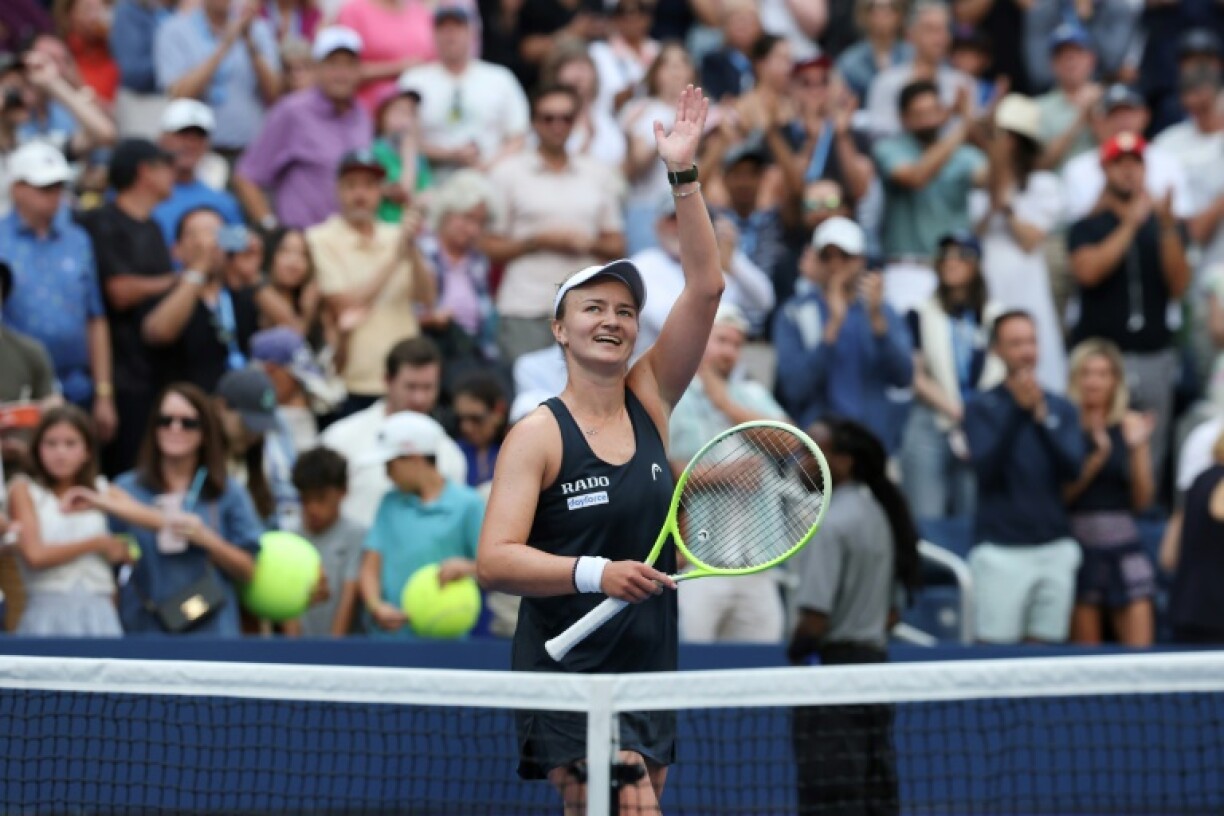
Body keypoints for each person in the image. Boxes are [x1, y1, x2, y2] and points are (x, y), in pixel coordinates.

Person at [476, 86, 721, 813]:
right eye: (593, 308)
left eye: (625, 311)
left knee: (638, 804)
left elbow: (706, 286)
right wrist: (597, 573)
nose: (612, 321)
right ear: (559, 328)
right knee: (629, 801)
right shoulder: (538, 434)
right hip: (566, 659)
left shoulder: (651, 399)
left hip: (647, 658)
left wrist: (684, 174)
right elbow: (495, 561)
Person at [788, 417, 921, 816]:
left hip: (833, 681)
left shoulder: (829, 524)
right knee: (875, 795)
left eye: (813, 450)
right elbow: (892, 614)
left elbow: (815, 620)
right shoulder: (880, 514)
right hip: (874, 674)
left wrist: (795, 652)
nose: (801, 459)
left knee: (832, 800)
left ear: (842, 462)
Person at [67, 383, 263, 636]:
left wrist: (209, 541)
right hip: (144, 627)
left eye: (188, 422)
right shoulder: (125, 489)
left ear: (205, 432)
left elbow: (249, 571)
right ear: (153, 427)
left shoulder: (226, 491)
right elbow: (103, 559)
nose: (175, 428)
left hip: (212, 631)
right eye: (165, 420)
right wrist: (113, 551)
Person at [1068, 132, 1191, 494]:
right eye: (1118, 163)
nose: (1128, 171)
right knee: (1093, 438)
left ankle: (1145, 519)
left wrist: (1166, 227)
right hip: (1102, 359)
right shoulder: (1087, 225)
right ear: (1105, 169)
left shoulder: (1166, 225)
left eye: (1134, 163)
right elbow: (1088, 272)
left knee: (1151, 445)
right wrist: (1129, 225)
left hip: (1153, 354)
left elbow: (1179, 285)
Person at [668, 303, 789, 643]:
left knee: (761, 673)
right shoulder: (674, 397)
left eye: (736, 345)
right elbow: (664, 472)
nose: (729, 352)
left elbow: (790, 441)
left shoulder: (752, 395)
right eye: (721, 341)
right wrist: (722, 475)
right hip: (698, 560)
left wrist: (725, 403)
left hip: (758, 560)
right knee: (689, 666)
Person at [963, 311, 1084, 644]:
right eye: (1015, 343)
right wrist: (1018, 411)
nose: (1026, 351)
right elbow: (985, 470)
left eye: (1031, 341)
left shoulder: (1061, 408)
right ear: (996, 351)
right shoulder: (981, 407)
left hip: (1054, 549)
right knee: (994, 661)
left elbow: (1073, 469)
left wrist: (1041, 419)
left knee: (1045, 661)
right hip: (1000, 552)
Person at [483, 83, 625, 362]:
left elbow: (617, 243)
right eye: (548, 118)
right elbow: (488, 245)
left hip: (586, 310)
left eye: (565, 118)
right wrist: (539, 241)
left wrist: (589, 243)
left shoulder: (597, 173)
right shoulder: (508, 173)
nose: (557, 126)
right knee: (528, 401)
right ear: (534, 123)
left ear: (575, 122)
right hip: (526, 304)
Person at [0, 142, 115, 439]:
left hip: (77, 384)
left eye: (58, 187)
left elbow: (95, 317)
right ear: (17, 189)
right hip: (17, 387)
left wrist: (104, 392)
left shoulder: (78, 240)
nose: (54, 196)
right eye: (44, 187)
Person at [307, 148, 434, 412]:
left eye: (369, 186)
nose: (360, 195)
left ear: (380, 192)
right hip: (356, 378)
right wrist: (396, 257)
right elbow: (344, 304)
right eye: (351, 186)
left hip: (407, 380)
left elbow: (428, 298)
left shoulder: (396, 235)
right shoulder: (320, 237)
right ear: (338, 191)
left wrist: (412, 251)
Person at [773, 216, 913, 453]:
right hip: (817, 447)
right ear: (815, 260)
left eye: (845, 256)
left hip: (872, 443)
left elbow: (903, 376)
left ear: (861, 260)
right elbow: (794, 388)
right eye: (827, 256)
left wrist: (878, 321)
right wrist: (832, 328)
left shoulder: (882, 310)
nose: (835, 264)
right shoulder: (793, 313)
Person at [80, 138, 178, 475]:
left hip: (152, 371)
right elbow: (118, 291)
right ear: (144, 171)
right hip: (117, 376)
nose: (173, 173)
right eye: (165, 164)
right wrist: (179, 280)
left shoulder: (153, 226)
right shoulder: (101, 221)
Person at [900, 233, 1003, 521]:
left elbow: (1001, 372)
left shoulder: (997, 316)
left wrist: (975, 416)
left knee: (972, 514)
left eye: (962, 255)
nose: (951, 262)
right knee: (925, 516)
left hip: (981, 425)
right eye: (945, 255)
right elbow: (915, 375)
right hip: (933, 420)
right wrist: (957, 411)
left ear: (977, 264)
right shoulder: (919, 312)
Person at [1062, 339, 1156, 647]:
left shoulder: (1128, 425)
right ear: (1075, 378)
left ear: (1115, 380)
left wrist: (1138, 447)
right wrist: (1095, 460)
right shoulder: (1062, 425)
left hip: (1124, 544)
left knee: (1141, 655)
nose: (1094, 382)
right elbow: (1060, 497)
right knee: (1086, 662)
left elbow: (1143, 501)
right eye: (1086, 373)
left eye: (1103, 374)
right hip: (1078, 546)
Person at [358, 410, 483, 638]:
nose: (387, 474)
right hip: (388, 641)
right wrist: (376, 607)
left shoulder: (469, 504)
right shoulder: (388, 501)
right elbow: (370, 566)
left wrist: (466, 567)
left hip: (447, 644)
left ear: (414, 458)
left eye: (390, 464)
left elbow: (495, 569)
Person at [233, 26, 372, 231]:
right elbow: (246, 176)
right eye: (333, 64)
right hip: (303, 243)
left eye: (349, 65)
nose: (341, 74)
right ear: (317, 69)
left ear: (359, 70)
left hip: (348, 247)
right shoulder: (292, 111)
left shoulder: (362, 115)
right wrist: (272, 230)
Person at [7, 405, 131, 635]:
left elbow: (138, 539)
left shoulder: (103, 491)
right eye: (51, 443)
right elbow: (35, 555)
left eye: (70, 443)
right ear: (37, 449)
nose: (60, 453)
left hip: (100, 613)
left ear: (87, 451)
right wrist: (96, 543)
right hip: (46, 613)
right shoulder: (24, 489)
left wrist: (126, 549)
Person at [320, 337, 466, 527]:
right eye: (411, 386)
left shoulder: (450, 454)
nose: (419, 398)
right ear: (387, 380)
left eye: (428, 387)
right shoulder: (340, 438)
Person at [977, 93, 1066, 394]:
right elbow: (976, 232)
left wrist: (1007, 207)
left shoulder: (1044, 184)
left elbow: (1030, 241)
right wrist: (993, 198)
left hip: (1026, 277)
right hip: (989, 275)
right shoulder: (979, 181)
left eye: (1001, 136)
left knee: (1034, 346)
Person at [873, 79, 986, 313]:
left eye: (933, 111)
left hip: (954, 270)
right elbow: (915, 177)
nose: (928, 119)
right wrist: (963, 126)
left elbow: (995, 182)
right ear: (903, 118)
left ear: (943, 112)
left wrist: (990, 131)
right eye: (919, 113)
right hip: (907, 270)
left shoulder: (964, 153)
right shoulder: (888, 148)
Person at [400, 5, 528, 182]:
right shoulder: (413, 81)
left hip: (491, 177)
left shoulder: (500, 77)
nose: (450, 35)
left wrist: (488, 167)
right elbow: (400, 138)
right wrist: (449, 154)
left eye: (458, 27)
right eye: (443, 28)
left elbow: (518, 137)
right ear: (433, 34)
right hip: (432, 180)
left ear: (472, 33)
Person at [140, 207, 259, 393]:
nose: (207, 242)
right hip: (186, 408)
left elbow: (293, 331)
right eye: (194, 235)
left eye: (215, 233)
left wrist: (253, 276)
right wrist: (199, 268)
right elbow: (159, 333)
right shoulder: (163, 293)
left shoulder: (240, 294)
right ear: (176, 250)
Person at [154, 0, 281, 154]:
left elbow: (275, 94)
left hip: (250, 149)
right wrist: (225, 45)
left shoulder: (257, 29)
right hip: (197, 152)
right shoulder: (175, 30)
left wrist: (250, 43)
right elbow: (179, 94)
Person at [864, 0, 975, 139]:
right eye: (931, 30)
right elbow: (881, 142)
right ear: (910, 35)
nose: (939, 38)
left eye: (944, 29)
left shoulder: (963, 83)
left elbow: (972, 140)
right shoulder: (886, 83)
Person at [289, 445, 365, 637]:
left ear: (343, 491)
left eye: (321, 498)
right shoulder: (289, 538)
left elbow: (349, 598)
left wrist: (331, 652)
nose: (312, 508)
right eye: (305, 499)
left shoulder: (358, 536)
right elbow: (289, 615)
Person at [151, 99, 243, 247]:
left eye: (199, 137)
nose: (190, 144)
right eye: (182, 135)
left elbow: (234, 254)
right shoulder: (138, 193)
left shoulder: (225, 203)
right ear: (162, 138)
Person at [215, 366, 297, 531]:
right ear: (221, 407)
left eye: (261, 427)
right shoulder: (191, 455)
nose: (254, 435)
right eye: (247, 424)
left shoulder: (259, 459)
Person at [1166, 427, 1224, 644]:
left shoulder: (1199, 479)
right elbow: (1219, 509)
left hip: (1186, 608)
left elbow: (1168, 557)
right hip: (1215, 615)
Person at [334, 0, 437, 113]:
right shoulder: (353, 11)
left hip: (421, 113)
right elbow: (341, 71)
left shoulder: (420, 11)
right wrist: (398, 68)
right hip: (371, 114)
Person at [835, 0, 912, 103]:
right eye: (877, 9)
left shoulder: (912, 55)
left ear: (899, 15)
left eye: (890, 8)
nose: (884, 14)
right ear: (865, 15)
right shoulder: (850, 62)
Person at [452, 372, 508, 490]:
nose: (466, 427)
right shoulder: (453, 451)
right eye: (460, 419)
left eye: (476, 419)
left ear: (498, 411)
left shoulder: (514, 449)